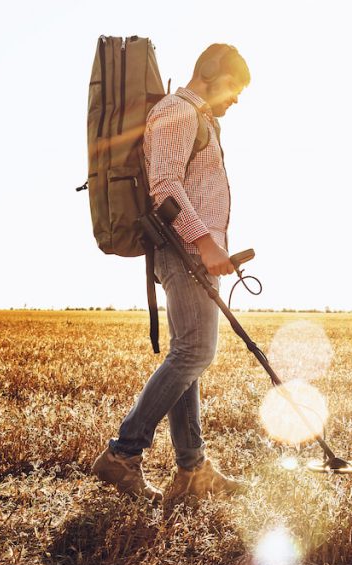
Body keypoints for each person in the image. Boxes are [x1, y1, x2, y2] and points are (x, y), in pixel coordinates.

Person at [92, 44, 250, 503]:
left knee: (189, 357)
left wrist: (213, 246)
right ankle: (123, 454)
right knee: (196, 350)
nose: (236, 99)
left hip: (198, 253)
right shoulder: (177, 113)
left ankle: (192, 469)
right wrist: (204, 242)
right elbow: (165, 186)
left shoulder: (199, 118)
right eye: (234, 87)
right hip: (183, 251)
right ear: (209, 74)